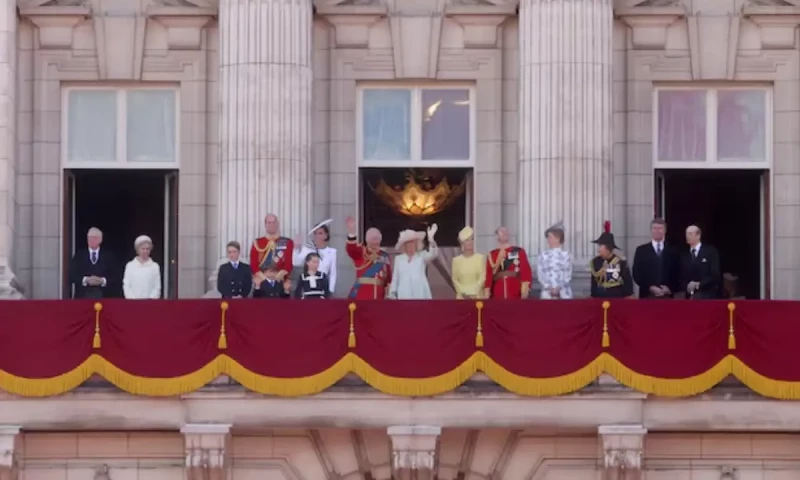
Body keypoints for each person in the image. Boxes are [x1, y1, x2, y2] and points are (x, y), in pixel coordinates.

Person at [345, 216, 392, 299]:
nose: (375, 242)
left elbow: (388, 279)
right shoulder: (361, 252)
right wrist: (352, 232)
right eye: (373, 239)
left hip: (379, 295)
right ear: (367, 240)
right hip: (362, 294)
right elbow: (351, 249)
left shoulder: (384, 256)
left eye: (377, 239)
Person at [633, 218, 680, 299]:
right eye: (655, 228)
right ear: (651, 230)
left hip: (667, 296)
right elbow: (637, 273)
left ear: (665, 231)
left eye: (660, 229)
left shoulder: (673, 251)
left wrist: (670, 288)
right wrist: (650, 287)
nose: (657, 231)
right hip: (647, 296)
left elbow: (678, 273)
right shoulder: (641, 250)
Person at [388, 225, 438, 300]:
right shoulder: (399, 259)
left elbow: (433, 255)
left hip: (420, 293)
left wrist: (431, 241)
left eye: (413, 243)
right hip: (403, 294)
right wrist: (392, 293)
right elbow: (395, 278)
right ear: (404, 246)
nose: (411, 245)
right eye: (408, 243)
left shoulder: (421, 256)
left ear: (416, 244)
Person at [484, 226, 533, 299]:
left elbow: (526, 271)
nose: (505, 233)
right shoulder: (492, 254)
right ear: (497, 236)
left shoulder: (519, 251)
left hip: (515, 290)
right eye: (502, 231)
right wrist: (487, 292)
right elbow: (489, 275)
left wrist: (525, 290)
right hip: (498, 291)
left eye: (506, 231)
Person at [68, 227, 116, 299]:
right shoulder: (79, 255)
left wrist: (102, 281)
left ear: (100, 239)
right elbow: (71, 275)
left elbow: (115, 277)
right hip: (82, 297)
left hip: (104, 297)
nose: (91, 240)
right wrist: (86, 279)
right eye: (89, 237)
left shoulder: (108, 256)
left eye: (94, 237)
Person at [293, 219, 337, 295]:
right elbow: (296, 262)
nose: (317, 236)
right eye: (315, 233)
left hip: (323, 286)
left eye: (320, 233)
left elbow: (333, 274)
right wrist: (296, 248)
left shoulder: (332, 252)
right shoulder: (307, 249)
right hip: (308, 286)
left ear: (326, 236)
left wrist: (330, 291)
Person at [250, 213, 294, 287]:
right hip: (262, 281)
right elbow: (253, 265)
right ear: (265, 225)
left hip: (280, 281)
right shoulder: (257, 242)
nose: (272, 225)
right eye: (269, 222)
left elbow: (288, 265)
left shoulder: (287, 242)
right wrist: (265, 278)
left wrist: (277, 277)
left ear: (278, 224)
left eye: (274, 222)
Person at [680, 225, 721, 299]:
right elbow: (681, 276)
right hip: (690, 297)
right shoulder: (684, 254)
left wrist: (699, 284)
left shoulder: (710, 251)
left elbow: (715, 274)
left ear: (698, 236)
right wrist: (687, 286)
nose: (687, 236)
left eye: (690, 234)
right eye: (686, 234)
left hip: (707, 296)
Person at [589, 231, 634, 298]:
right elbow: (594, 282)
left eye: (600, 246)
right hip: (599, 297)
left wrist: (628, 295)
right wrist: (593, 296)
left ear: (608, 248)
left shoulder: (620, 262)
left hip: (616, 298)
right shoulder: (595, 262)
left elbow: (627, 281)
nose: (598, 250)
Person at [537, 222, 573, 299]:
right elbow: (540, 273)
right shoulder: (543, 255)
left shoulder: (566, 255)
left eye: (550, 237)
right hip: (547, 293)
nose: (548, 239)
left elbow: (568, 274)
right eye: (548, 237)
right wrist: (549, 287)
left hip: (564, 292)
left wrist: (558, 287)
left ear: (557, 238)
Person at [451, 226, 486, 299]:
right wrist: (464, 293)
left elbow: (482, 277)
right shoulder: (456, 260)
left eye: (471, 239)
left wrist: (473, 292)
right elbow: (455, 280)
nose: (470, 242)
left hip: (478, 297)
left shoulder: (480, 258)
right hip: (462, 297)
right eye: (467, 240)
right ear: (462, 243)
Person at [122, 235, 162, 299]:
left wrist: (150, 300)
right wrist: (133, 300)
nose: (145, 251)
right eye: (143, 249)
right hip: (133, 302)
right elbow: (126, 285)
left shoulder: (155, 266)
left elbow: (157, 286)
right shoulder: (130, 265)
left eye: (147, 249)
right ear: (137, 250)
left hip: (150, 303)